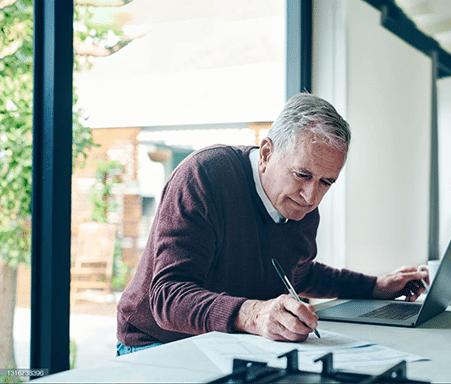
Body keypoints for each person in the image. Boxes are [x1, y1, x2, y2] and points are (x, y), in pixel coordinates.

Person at [116, 93, 429, 355]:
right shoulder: (205, 176)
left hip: (229, 342)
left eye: (326, 182)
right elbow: (167, 297)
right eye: (302, 175)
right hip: (157, 343)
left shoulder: (299, 205)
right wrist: (253, 314)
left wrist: (375, 287)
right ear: (266, 153)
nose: (311, 196)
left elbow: (299, 272)